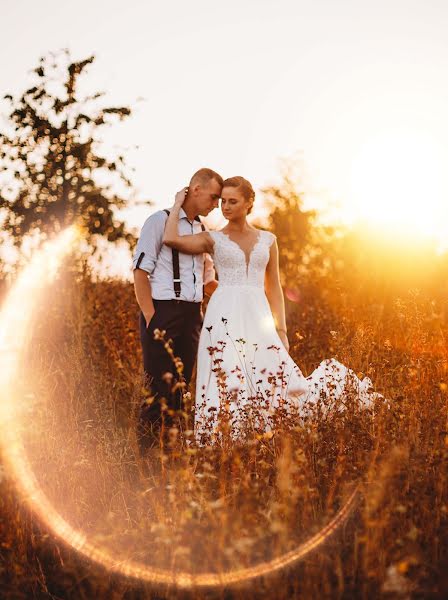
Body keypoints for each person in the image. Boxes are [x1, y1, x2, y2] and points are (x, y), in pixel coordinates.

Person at [163, 176, 382, 444]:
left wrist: (281, 329)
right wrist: (176, 205)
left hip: (258, 314)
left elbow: (274, 288)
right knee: (228, 374)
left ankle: (265, 439)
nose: (226, 207)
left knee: (272, 374)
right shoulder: (213, 238)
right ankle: (228, 443)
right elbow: (171, 239)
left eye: (233, 201)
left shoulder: (268, 240)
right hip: (223, 314)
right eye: (223, 202)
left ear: (249, 203)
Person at [132, 168, 223, 454]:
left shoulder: (202, 230)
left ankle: (171, 455)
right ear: (196, 189)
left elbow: (208, 280)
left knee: (182, 387)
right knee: (158, 387)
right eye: (214, 197)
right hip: (163, 312)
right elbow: (140, 271)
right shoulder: (159, 221)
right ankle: (146, 458)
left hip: (193, 316)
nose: (216, 205)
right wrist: (151, 317)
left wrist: (241, 297)